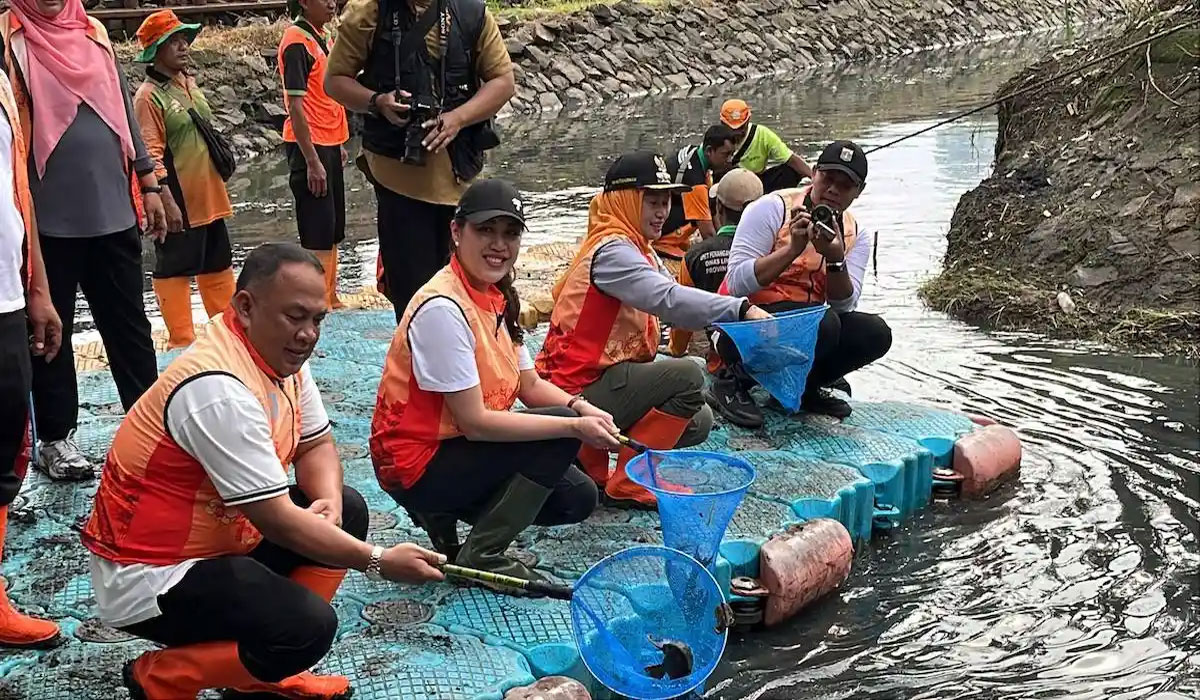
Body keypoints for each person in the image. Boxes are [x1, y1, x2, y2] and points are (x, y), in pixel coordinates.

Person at [82, 244, 446, 699]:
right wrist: (377, 561)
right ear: (245, 307)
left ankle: (260, 672)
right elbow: (276, 519)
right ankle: (165, 676)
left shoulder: (279, 356)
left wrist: (328, 501)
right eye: (295, 316)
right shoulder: (217, 389)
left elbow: (316, 444)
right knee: (307, 627)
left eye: (318, 319)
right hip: (152, 573)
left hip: (223, 539)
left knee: (348, 509)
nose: (308, 334)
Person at [371, 179, 619, 580]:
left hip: (456, 445)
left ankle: (442, 514)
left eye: (510, 234)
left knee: (577, 497)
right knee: (561, 432)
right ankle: (481, 555)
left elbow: (530, 385)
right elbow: (475, 422)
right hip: (414, 461)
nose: (499, 245)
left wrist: (583, 406)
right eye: (485, 230)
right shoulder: (443, 307)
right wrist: (573, 425)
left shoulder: (496, 295)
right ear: (456, 231)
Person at [536, 152, 770, 508]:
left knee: (698, 419)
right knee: (687, 375)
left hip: (601, 379)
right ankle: (626, 481)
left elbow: (676, 308)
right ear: (626, 201)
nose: (663, 212)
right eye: (652, 202)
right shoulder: (613, 251)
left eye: (666, 202)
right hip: (573, 389)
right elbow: (668, 300)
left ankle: (596, 462)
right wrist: (740, 309)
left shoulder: (638, 246)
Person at [0, 0, 166, 481]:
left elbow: (122, 110)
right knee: (50, 335)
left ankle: (151, 427)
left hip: (112, 209)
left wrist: (149, 182)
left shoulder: (93, 32)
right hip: (46, 220)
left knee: (130, 328)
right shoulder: (8, 38)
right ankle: (56, 438)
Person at [325, 0, 515, 320]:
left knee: (473, 290)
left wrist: (458, 118)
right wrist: (377, 101)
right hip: (398, 178)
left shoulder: (471, 12)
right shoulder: (369, 12)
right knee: (413, 297)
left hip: (460, 176)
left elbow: (503, 81)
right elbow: (334, 80)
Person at [714, 140, 890, 424]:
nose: (833, 190)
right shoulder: (772, 208)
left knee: (874, 332)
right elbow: (736, 283)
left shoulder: (855, 232)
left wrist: (835, 259)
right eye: (828, 179)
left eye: (845, 185)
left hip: (809, 325)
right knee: (824, 323)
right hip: (746, 325)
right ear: (814, 173)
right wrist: (791, 250)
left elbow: (845, 306)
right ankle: (732, 379)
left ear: (859, 191)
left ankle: (805, 387)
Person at [0, 66, 63, 649]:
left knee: (3, 445)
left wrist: (36, 288)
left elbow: (16, 192)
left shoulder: (2, 81)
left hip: (5, 297)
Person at [133, 10, 236, 350]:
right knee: (174, 265)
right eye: (173, 41)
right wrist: (165, 199)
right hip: (179, 196)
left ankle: (227, 335)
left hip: (209, 194)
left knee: (217, 260)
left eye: (183, 40)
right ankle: (181, 340)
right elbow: (150, 151)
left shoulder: (188, 83)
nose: (183, 47)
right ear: (156, 50)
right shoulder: (148, 96)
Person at [279, 0, 350, 310]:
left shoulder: (322, 36)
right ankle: (316, 298)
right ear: (305, 2)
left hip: (329, 140)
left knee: (333, 224)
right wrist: (311, 160)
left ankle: (330, 295)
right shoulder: (296, 42)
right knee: (317, 225)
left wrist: (339, 142)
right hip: (309, 144)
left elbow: (327, 96)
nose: (331, 3)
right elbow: (295, 105)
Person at [666, 167, 764, 362]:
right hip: (765, 352)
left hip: (722, 361)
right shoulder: (776, 251)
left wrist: (676, 349)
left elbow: (683, 315)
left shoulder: (695, 256)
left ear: (718, 207)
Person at [652, 124, 740, 261]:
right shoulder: (695, 181)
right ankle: (665, 242)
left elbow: (711, 207)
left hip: (665, 203)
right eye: (725, 154)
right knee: (697, 214)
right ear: (709, 151)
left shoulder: (695, 153)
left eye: (732, 154)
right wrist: (726, 252)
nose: (730, 160)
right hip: (662, 222)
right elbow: (708, 234)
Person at [719, 98, 813, 193]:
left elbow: (791, 159)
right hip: (727, 185)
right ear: (723, 124)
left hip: (758, 183)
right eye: (732, 129)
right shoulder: (716, 137)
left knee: (791, 170)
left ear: (748, 121)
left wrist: (814, 179)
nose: (737, 133)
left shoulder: (763, 135)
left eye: (741, 127)